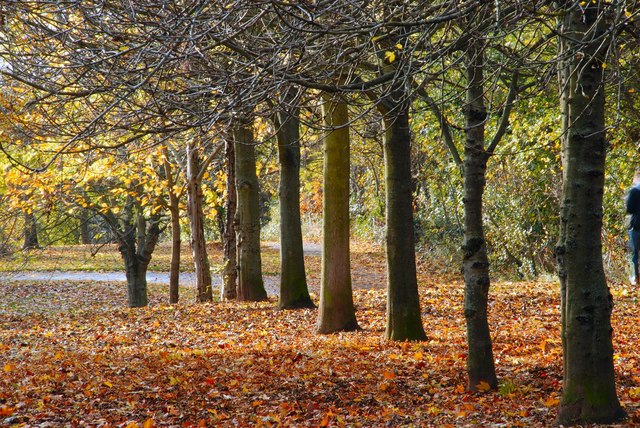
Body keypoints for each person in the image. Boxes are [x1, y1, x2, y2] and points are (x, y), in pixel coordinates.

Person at [626, 171, 640, 285]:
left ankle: (635, 277)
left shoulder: (634, 191)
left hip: (636, 226)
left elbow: (629, 208)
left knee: (635, 254)